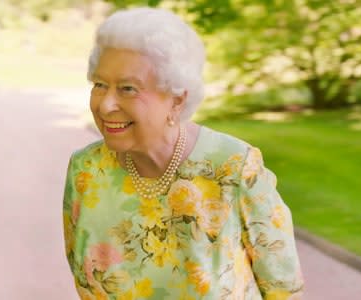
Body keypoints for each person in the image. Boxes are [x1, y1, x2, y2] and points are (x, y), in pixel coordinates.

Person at [62, 7, 304, 300]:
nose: (105, 105)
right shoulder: (85, 169)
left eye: (127, 89)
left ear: (176, 100)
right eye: (100, 85)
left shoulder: (233, 168)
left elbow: (283, 288)